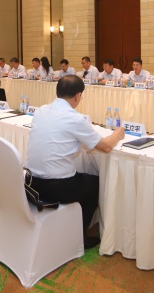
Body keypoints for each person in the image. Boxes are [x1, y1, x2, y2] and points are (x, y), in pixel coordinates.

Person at [26, 75, 124, 249]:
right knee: (94, 184)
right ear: (78, 96)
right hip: (56, 188)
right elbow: (106, 147)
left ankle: (69, 224)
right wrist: (117, 134)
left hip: (31, 183)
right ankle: (79, 236)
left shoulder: (40, 111)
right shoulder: (75, 118)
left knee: (81, 177)